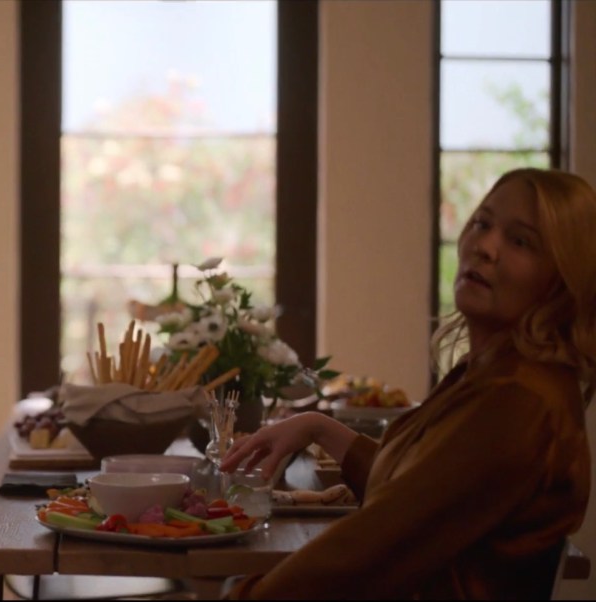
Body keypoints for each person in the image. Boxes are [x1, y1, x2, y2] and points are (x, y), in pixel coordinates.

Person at [220, 168, 596, 599]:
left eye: (521, 241)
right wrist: (318, 428)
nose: (486, 247)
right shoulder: (492, 372)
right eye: (482, 223)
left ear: (562, 279)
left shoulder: (519, 400)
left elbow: (372, 547)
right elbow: (421, 490)